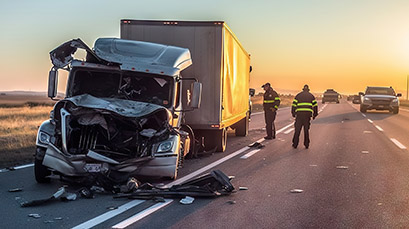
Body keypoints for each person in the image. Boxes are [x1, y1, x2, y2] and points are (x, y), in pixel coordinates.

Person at [291, 85, 318, 149]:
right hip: (307, 116)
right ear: (308, 89)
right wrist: (315, 114)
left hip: (299, 115)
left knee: (297, 130)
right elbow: (315, 106)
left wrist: (293, 113)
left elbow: (294, 105)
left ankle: (295, 144)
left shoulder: (298, 95)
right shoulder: (311, 96)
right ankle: (306, 144)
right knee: (306, 130)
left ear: (303, 89)